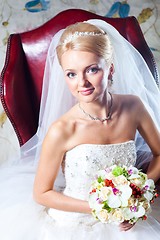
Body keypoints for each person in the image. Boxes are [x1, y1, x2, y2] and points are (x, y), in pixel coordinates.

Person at [0, 19, 160, 240]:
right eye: (71, 74)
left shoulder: (133, 106)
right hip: (74, 223)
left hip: (126, 219)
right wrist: (103, 209)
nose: (82, 83)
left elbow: (159, 153)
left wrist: (135, 195)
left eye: (92, 69)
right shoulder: (63, 129)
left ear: (110, 68)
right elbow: (42, 193)